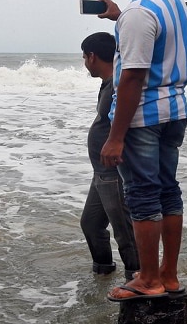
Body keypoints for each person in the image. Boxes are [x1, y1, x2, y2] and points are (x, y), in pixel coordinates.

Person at [96, 0, 187, 301]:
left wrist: (115, 136)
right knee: (168, 191)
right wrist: (120, 17)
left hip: (144, 118)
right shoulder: (169, 0)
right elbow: (156, 41)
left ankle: (148, 279)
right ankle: (168, 275)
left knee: (142, 196)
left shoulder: (139, 11)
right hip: (174, 112)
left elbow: (133, 76)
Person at [79, 32, 140, 282]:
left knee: (124, 230)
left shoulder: (118, 82)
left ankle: (137, 278)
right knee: (91, 224)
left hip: (113, 170)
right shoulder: (110, 82)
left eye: (84, 57)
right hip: (100, 172)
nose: (84, 62)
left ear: (92, 57)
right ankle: (103, 272)